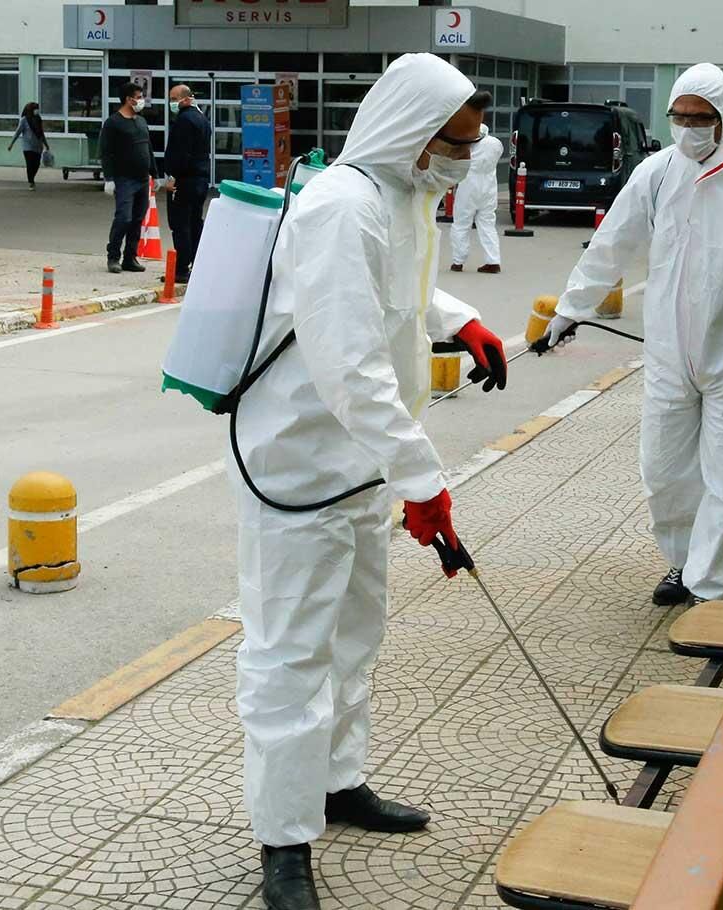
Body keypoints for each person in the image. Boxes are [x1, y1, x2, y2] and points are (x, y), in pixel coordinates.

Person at [230, 54, 506, 910]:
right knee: (289, 655)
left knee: (355, 635)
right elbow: (349, 359)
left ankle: (337, 782)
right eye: (454, 143)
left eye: (471, 144)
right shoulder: (340, 205)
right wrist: (422, 478)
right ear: (412, 132)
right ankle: (284, 840)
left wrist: (461, 320)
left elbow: (400, 294)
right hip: (302, 468)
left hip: (362, 468)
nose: (463, 158)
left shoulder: (401, 196)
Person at [543, 64, 723, 608]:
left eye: (702, 117)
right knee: (664, 470)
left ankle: (708, 587)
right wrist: (570, 309)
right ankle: (683, 560)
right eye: (681, 117)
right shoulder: (656, 173)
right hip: (670, 353)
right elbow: (611, 244)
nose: (690, 127)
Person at [98, 83, 153, 274]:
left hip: (142, 179)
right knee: (124, 218)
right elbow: (106, 152)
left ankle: (130, 258)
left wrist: (155, 174)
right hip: (124, 179)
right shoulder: (113, 123)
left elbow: (148, 148)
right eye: (139, 97)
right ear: (129, 99)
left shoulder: (141, 121)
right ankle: (113, 256)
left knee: (137, 219)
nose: (141, 100)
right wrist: (109, 178)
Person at [163, 84, 212, 285]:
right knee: (195, 222)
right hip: (200, 179)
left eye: (174, 99)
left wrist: (173, 176)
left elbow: (181, 153)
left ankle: (182, 268)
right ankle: (197, 265)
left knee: (180, 224)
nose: (171, 103)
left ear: (185, 98)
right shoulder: (201, 118)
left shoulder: (184, 120)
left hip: (185, 179)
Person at [449, 123, 504, 274]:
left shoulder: (467, 145)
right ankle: (493, 261)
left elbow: (455, 159)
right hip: (489, 185)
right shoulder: (496, 143)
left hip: (468, 183)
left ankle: (458, 261)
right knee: (487, 224)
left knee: (461, 223)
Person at [7, 102, 50, 190]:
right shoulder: (24, 120)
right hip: (27, 147)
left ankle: (31, 178)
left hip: (38, 147)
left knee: (36, 164)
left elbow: (41, 133)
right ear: (30, 110)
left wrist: (46, 144)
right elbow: (17, 132)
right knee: (30, 164)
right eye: (35, 109)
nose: (37, 111)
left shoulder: (38, 119)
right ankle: (31, 182)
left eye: (37, 109)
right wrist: (11, 144)